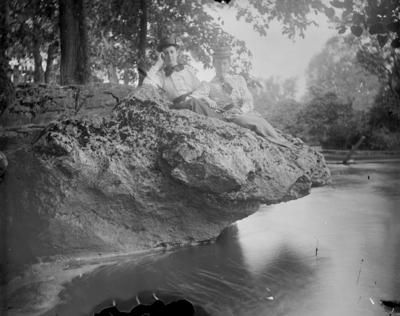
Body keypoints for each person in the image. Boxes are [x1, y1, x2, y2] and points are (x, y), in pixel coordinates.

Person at [191, 46, 294, 148]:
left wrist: (241, 110)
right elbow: (192, 97)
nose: (222, 66)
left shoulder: (238, 79)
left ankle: (281, 141)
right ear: (214, 64)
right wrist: (205, 98)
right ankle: (280, 141)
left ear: (229, 64)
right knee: (244, 120)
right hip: (228, 117)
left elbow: (248, 100)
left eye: (224, 63)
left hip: (243, 111)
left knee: (256, 121)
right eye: (218, 63)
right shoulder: (208, 85)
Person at [142, 37, 220, 119]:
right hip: (178, 107)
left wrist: (206, 98)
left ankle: (222, 120)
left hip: (195, 101)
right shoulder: (161, 75)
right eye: (166, 53)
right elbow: (146, 84)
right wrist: (158, 64)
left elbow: (198, 88)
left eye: (172, 52)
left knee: (209, 107)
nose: (170, 55)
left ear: (177, 53)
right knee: (192, 103)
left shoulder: (187, 68)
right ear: (162, 56)